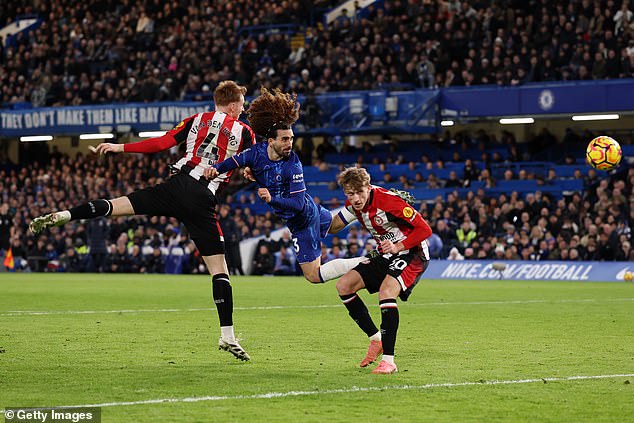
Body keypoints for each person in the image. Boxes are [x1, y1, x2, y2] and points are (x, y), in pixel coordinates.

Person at [29, 80, 255, 361]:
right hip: (201, 200)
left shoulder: (195, 120)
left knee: (117, 205)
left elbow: (160, 143)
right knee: (219, 269)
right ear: (233, 104)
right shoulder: (244, 131)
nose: (242, 111)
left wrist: (120, 147)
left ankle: (66, 215)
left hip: (174, 186)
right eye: (242, 106)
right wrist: (251, 174)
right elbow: (252, 163)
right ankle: (228, 335)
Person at [205, 87, 368, 284]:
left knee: (313, 276)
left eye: (291, 138)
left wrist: (271, 198)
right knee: (333, 226)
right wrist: (214, 169)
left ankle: (365, 261)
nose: (289, 143)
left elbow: (297, 204)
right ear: (271, 141)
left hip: (302, 219)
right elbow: (232, 162)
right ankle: (364, 202)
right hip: (309, 209)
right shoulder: (256, 153)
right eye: (284, 139)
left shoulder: (293, 163)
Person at [328, 167, 432, 374]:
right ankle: (376, 340)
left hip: (412, 253)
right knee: (344, 286)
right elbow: (333, 226)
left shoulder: (387, 201)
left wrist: (397, 247)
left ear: (368, 186)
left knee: (386, 292)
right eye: (350, 194)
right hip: (387, 253)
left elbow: (425, 229)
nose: (356, 198)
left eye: (360, 192)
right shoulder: (353, 204)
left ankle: (389, 361)